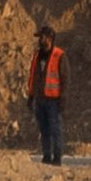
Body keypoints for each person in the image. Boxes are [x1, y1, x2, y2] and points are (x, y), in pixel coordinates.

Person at [27, 24, 67, 166]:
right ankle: (46, 156)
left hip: (53, 100)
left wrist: (62, 98)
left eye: (42, 37)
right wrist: (31, 96)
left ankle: (57, 157)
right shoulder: (37, 56)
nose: (40, 40)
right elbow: (33, 77)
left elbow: (65, 79)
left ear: (50, 38)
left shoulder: (59, 55)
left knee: (55, 129)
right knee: (44, 130)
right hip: (40, 99)